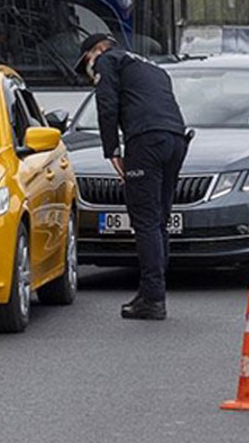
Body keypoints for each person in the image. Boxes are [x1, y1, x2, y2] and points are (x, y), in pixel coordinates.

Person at [75, 33, 190, 319]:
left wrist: (112, 150)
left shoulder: (107, 60)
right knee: (160, 219)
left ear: (97, 50)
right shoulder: (152, 66)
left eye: (86, 61)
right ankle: (152, 291)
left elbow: (107, 105)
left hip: (146, 141)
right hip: (176, 139)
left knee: (145, 220)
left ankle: (152, 298)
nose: (89, 71)